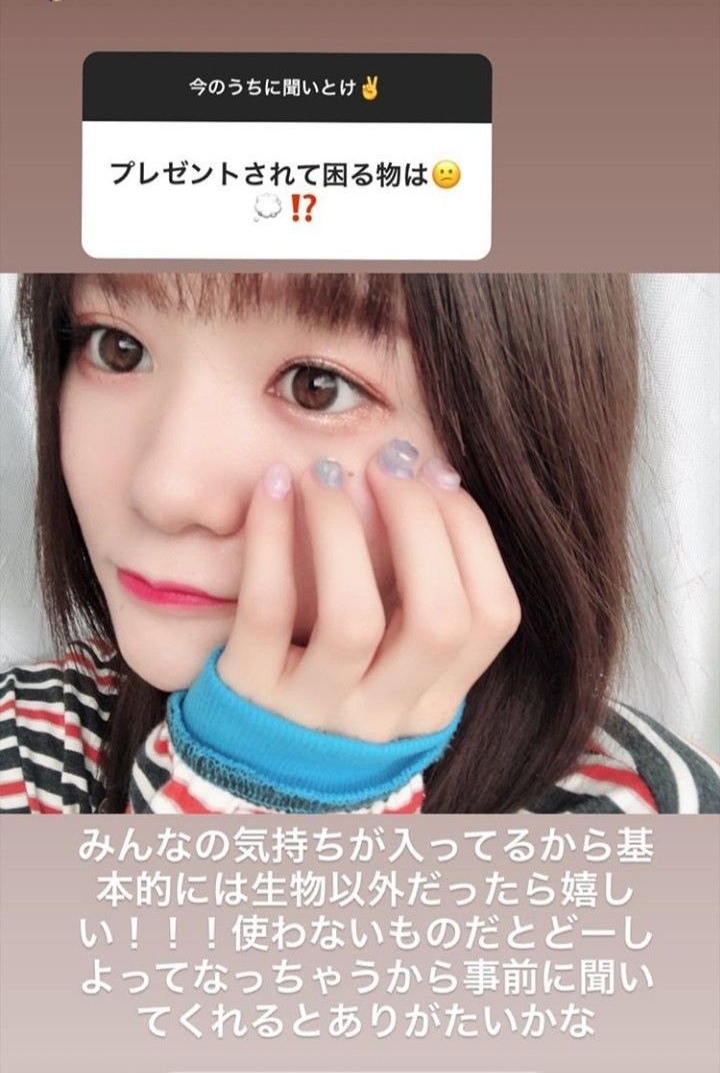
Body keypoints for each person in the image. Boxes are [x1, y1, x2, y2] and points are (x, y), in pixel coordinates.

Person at [1, 272, 718, 815]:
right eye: (117, 348)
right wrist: (255, 787)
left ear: (519, 441)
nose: (165, 490)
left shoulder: (644, 813)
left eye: (318, 387)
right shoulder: (31, 741)